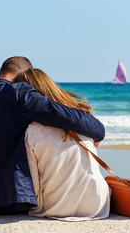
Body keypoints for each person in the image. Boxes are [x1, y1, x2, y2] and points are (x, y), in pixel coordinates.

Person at [0, 56, 105, 215]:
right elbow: (70, 117)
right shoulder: (18, 94)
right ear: (26, 75)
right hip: (5, 202)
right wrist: (98, 131)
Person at [14, 68, 111, 221]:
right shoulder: (83, 119)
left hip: (56, 208)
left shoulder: (33, 131)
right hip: (97, 205)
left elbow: (34, 188)